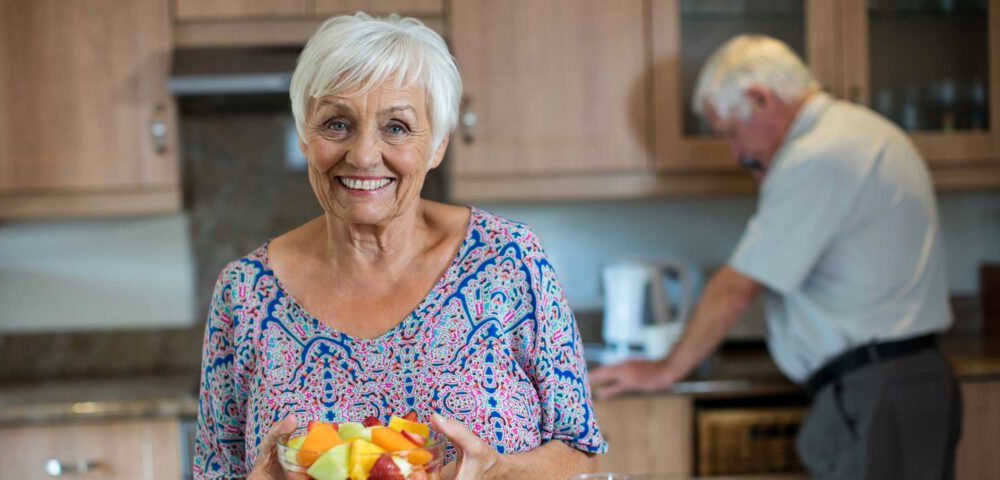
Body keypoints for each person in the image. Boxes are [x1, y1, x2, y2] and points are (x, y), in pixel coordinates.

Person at [193, 12, 606, 480]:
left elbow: (581, 449)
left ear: (438, 146)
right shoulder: (244, 292)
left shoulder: (508, 259)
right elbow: (215, 471)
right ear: (305, 136)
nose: (363, 155)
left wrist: (502, 472)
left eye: (396, 127)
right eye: (336, 124)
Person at [590, 35, 961, 479]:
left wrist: (666, 369)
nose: (736, 153)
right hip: (899, 382)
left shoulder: (818, 155)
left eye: (732, 132)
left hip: (878, 391)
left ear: (760, 98)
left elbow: (736, 289)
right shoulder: (858, 133)